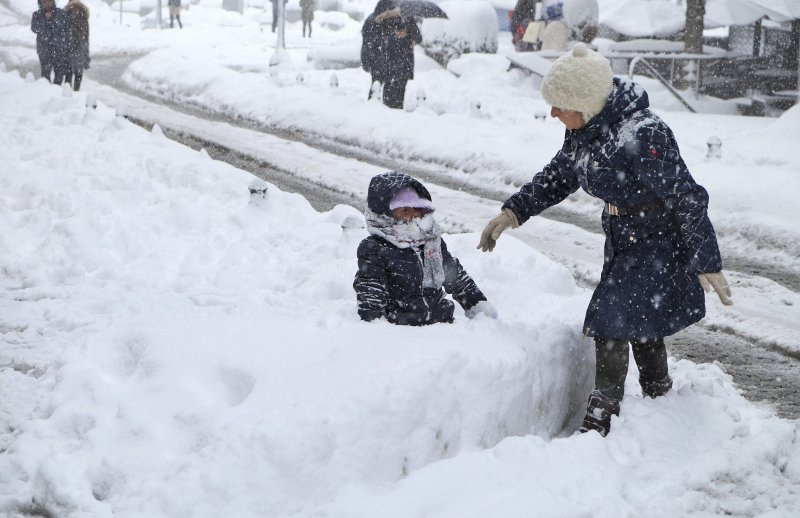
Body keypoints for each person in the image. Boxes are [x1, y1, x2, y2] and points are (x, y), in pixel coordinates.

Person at [477, 44, 733, 437]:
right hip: (621, 238)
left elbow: (686, 196)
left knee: (612, 315)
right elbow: (561, 175)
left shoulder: (643, 134)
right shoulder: (584, 129)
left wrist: (706, 258)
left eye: (560, 105)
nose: (553, 113)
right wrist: (513, 212)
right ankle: (659, 399)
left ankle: (603, 415)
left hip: (657, 239)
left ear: (584, 101)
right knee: (640, 319)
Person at [355, 172, 497, 326]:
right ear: (386, 216)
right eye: (404, 210)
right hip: (403, 328)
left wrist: (477, 306)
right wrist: (375, 325)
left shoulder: (430, 241)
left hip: (442, 322)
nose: (413, 215)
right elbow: (371, 292)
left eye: (416, 208)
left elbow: (454, 276)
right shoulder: (375, 249)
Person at [360, 1, 421, 109]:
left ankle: (385, 117)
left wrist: (407, 33)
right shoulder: (375, 21)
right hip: (384, 65)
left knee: (392, 99)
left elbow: (418, 38)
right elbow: (371, 42)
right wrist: (395, 36)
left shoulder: (406, 18)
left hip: (400, 66)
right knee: (378, 95)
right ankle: (376, 116)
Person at [31, 0, 72, 85]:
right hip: (44, 49)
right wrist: (46, 20)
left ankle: (57, 93)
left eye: (49, 1)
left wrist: (66, 46)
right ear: (41, 3)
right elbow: (34, 28)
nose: (47, 4)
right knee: (45, 74)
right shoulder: (37, 14)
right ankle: (46, 93)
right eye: (44, 2)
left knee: (59, 75)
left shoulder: (61, 13)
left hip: (59, 49)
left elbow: (67, 29)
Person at [63, 0, 89, 91]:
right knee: (68, 73)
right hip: (68, 49)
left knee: (78, 73)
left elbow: (86, 38)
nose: (75, 9)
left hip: (79, 50)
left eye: (77, 7)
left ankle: (76, 91)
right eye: (73, 7)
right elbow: (63, 34)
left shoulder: (83, 18)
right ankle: (67, 91)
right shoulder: (66, 17)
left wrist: (86, 54)